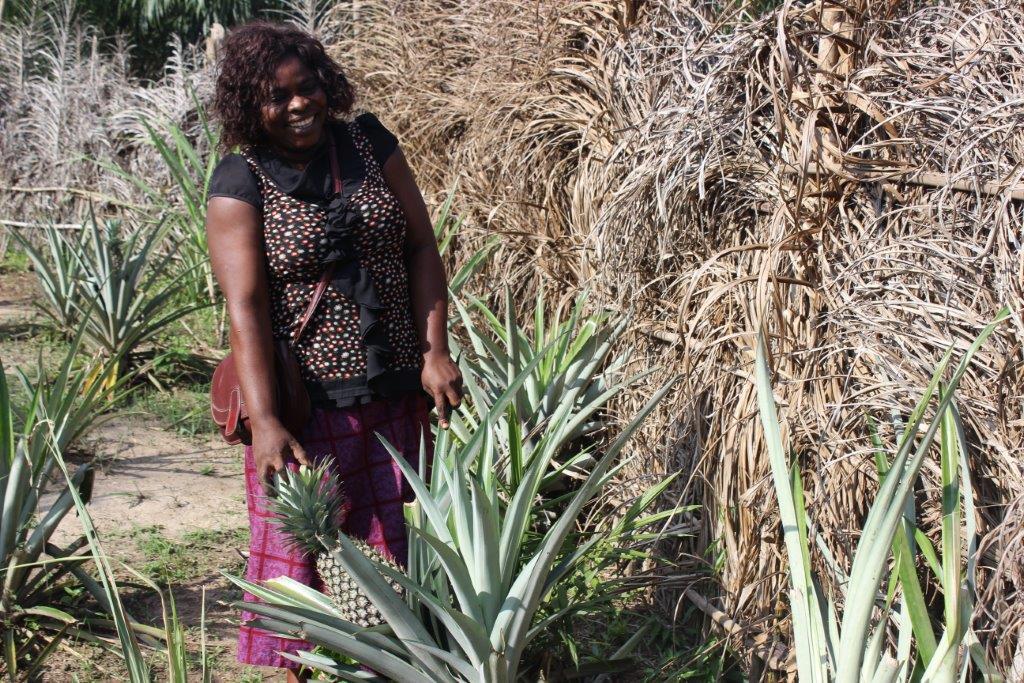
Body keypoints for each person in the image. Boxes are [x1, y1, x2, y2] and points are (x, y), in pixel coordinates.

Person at [204, 20, 463, 682]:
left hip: (397, 391)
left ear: (327, 84)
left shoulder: (369, 144)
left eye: (308, 85)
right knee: (305, 561)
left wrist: (435, 349)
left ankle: (397, 666)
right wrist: (264, 420)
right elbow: (247, 307)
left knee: (400, 561)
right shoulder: (242, 179)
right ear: (249, 105)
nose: (299, 103)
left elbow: (421, 248)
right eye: (277, 95)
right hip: (307, 407)